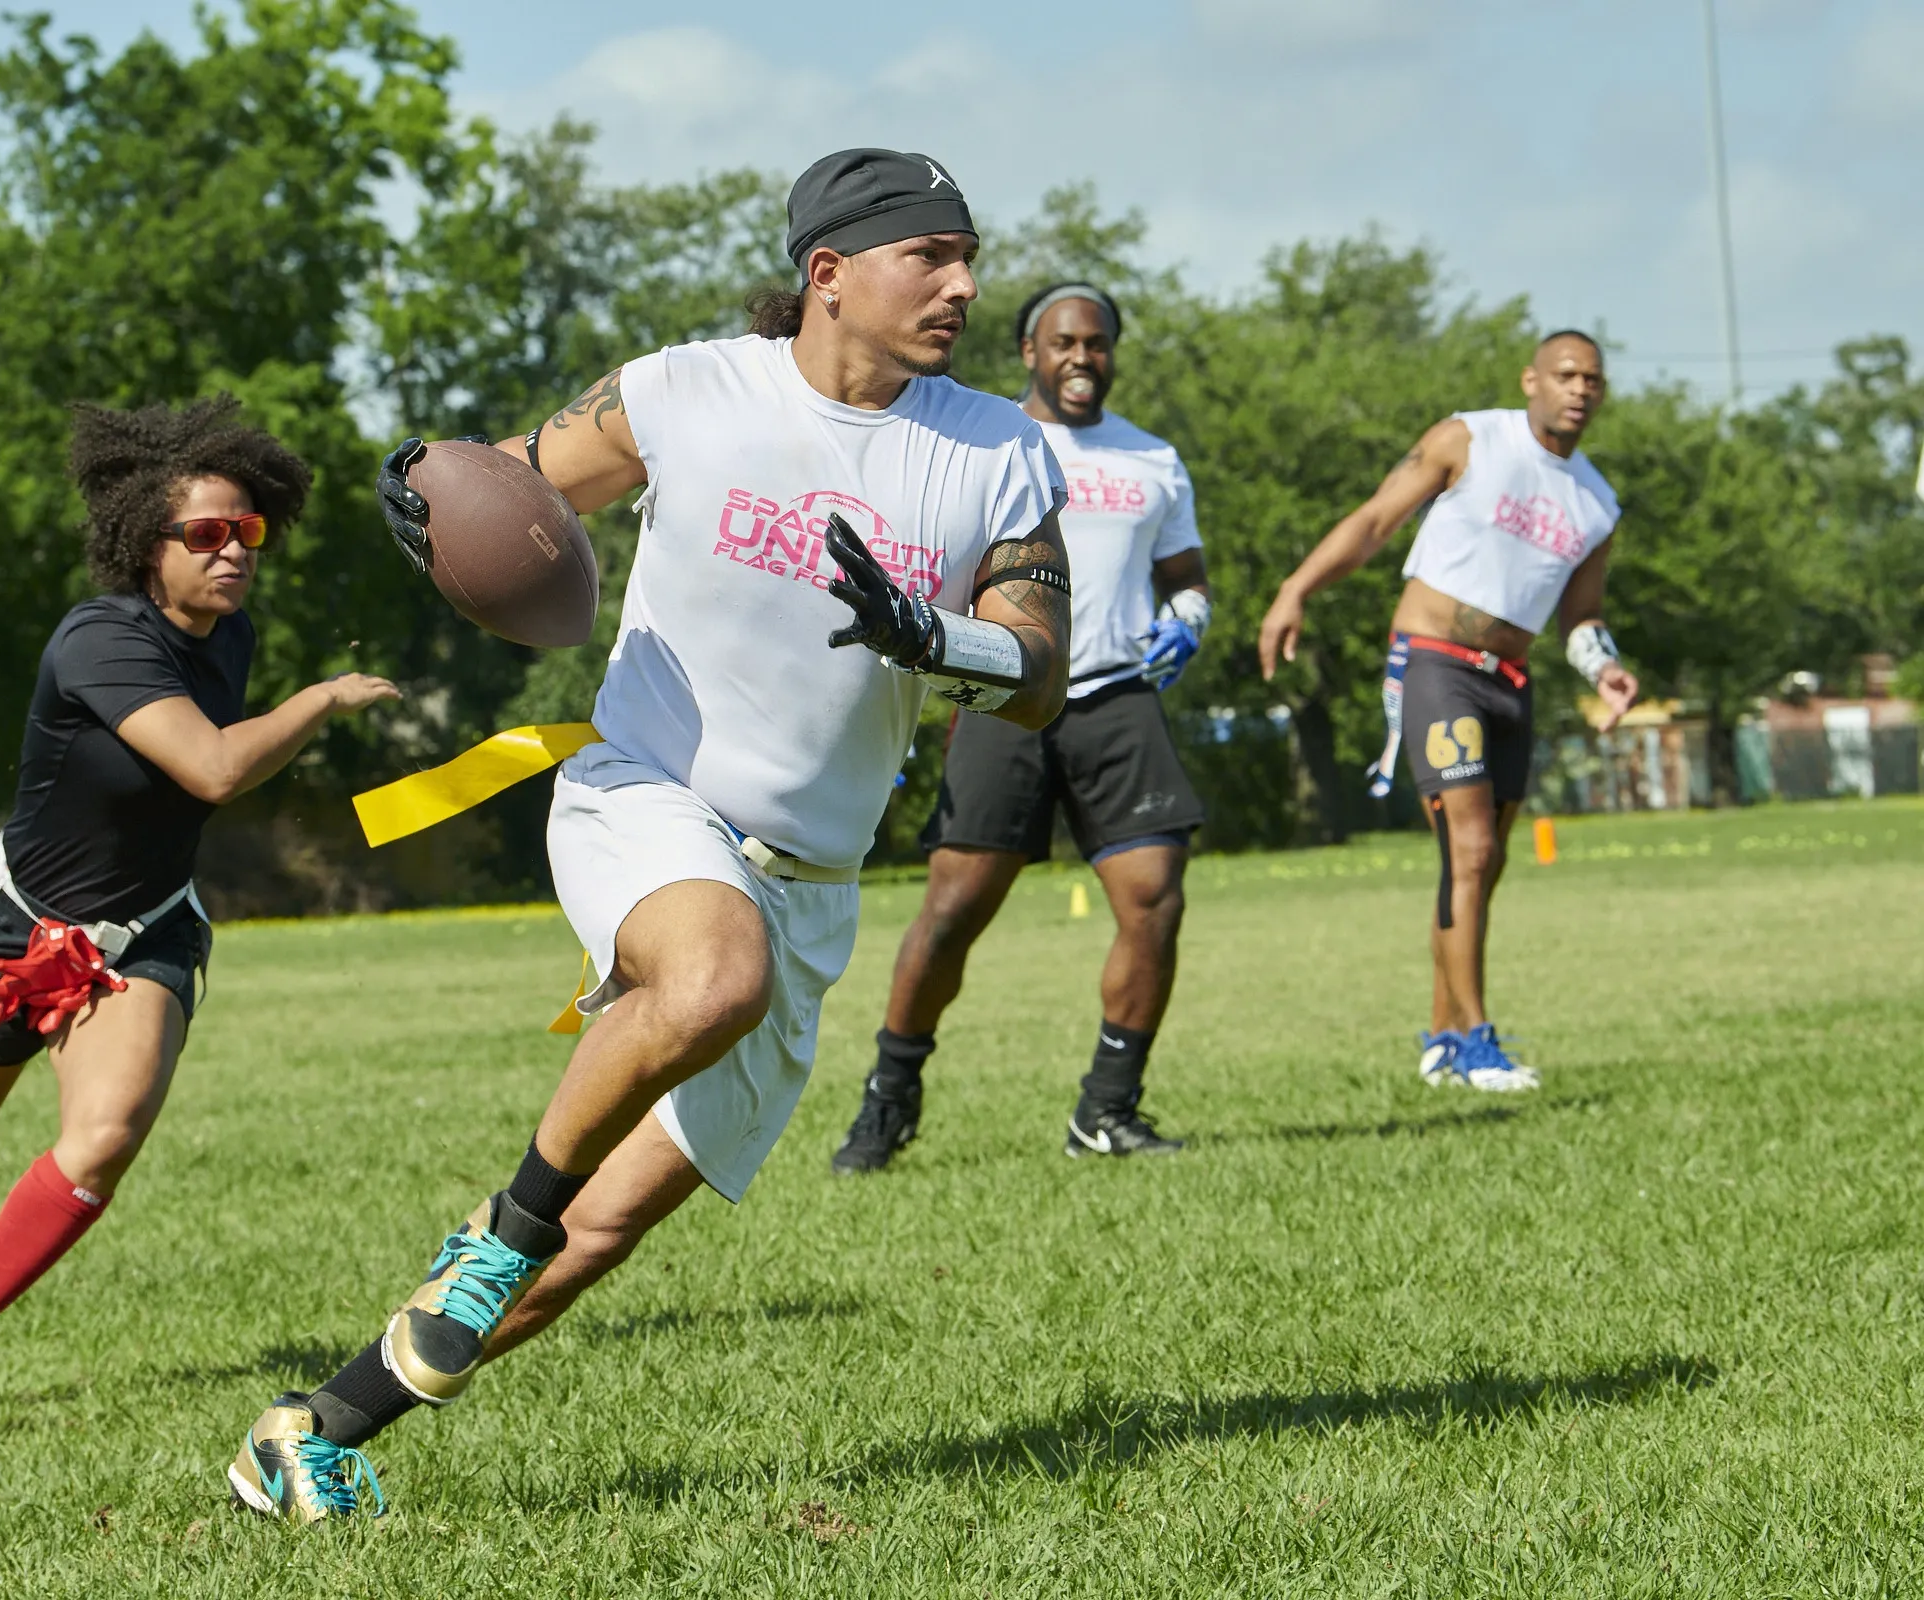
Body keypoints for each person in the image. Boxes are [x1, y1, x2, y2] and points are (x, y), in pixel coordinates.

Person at [229, 147, 1072, 1521]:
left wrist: (942, 636)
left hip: (815, 884)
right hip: (649, 799)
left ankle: (310, 1430)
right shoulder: (688, 388)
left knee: (610, 1221)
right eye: (933, 256)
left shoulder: (996, 448)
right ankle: (501, 1226)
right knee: (708, 976)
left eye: (969, 255)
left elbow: (1040, 667)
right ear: (829, 273)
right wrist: (425, 494)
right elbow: (515, 487)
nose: (966, 285)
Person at [0, 397, 398, 1438]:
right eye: (203, 534)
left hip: (142, 936)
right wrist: (322, 701)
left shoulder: (228, 635)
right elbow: (208, 767)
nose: (232, 551)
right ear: (141, 544)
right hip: (12, 932)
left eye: (246, 530)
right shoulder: (98, 640)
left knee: (102, 1138)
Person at [832, 282, 1211, 1172]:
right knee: (955, 911)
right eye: (1064, 342)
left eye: (1099, 343)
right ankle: (890, 1097)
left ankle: (1108, 1110)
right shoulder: (983, 437)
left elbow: (1186, 574)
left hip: (1117, 695)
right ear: (1029, 353)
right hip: (1000, 691)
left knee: (1156, 899)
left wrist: (1189, 616)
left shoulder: (1154, 458)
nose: (1084, 357)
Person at [1257, 331, 1637, 1091]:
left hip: (1511, 682)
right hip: (1435, 664)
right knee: (1468, 854)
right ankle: (1475, 1040)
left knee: (1481, 866)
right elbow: (1373, 524)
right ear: (1532, 379)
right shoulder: (1470, 437)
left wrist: (1606, 668)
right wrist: (1297, 589)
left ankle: (1442, 1036)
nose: (1579, 389)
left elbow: (1581, 617)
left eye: (1592, 379)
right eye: (1565, 375)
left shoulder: (1597, 501)